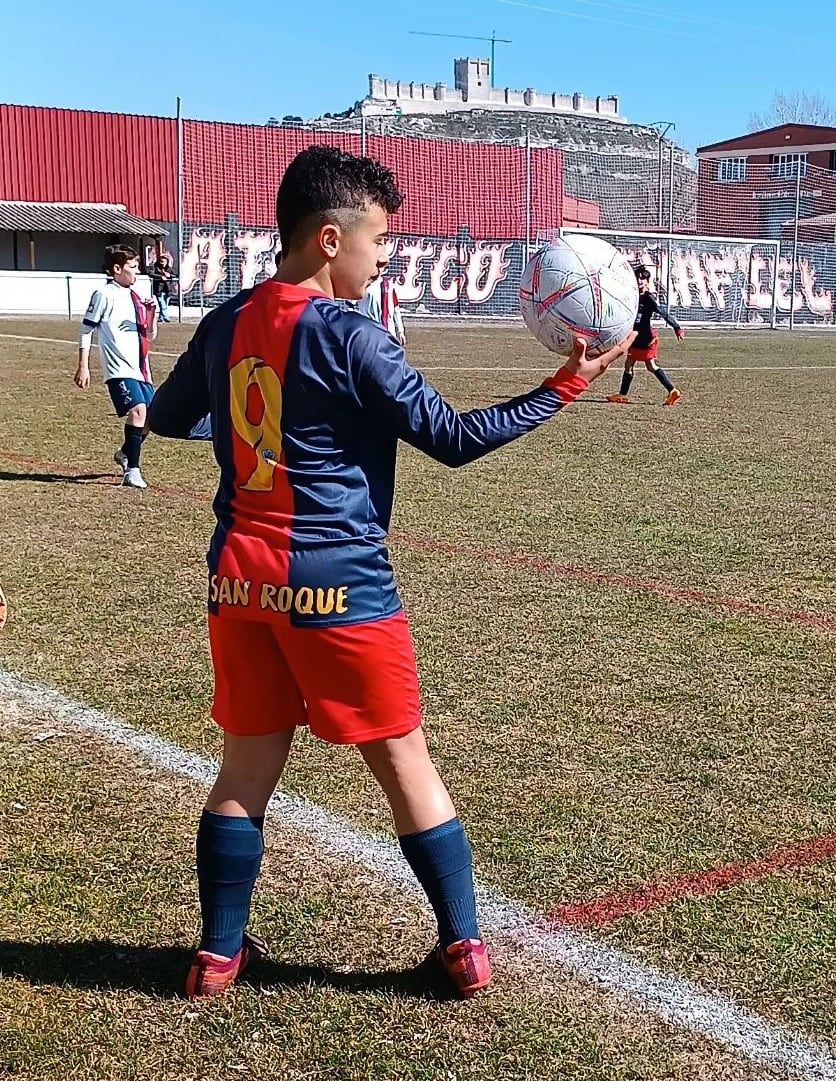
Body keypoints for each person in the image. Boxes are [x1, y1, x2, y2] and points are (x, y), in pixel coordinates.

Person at [145, 145, 633, 1001]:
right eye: (380, 243)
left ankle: (218, 955)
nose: (386, 260)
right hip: (339, 587)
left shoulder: (224, 322)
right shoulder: (350, 336)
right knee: (405, 762)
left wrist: (261, 438)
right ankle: (461, 948)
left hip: (240, 581)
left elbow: (173, 416)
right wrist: (564, 384)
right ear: (329, 239)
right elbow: (453, 438)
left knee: (244, 772)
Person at [75, 244, 157, 489]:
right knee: (139, 411)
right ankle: (132, 470)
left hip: (141, 369)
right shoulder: (103, 294)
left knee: (153, 419)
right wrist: (83, 366)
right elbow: (85, 329)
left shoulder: (137, 296)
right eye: (133, 267)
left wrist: (151, 314)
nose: (137, 272)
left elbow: (150, 335)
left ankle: (124, 453)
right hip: (119, 369)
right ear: (117, 269)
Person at [607, 265, 684, 406]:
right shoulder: (633, 295)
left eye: (643, 278)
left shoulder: (649, 298)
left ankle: (672, 390)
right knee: (632, 365)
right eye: (637, 278)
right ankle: (623, 395)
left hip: (646, 338)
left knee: (647, 366)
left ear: (648, 281)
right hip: (636, 336)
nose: (640, 280)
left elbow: (662, 312)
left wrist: (676, 326)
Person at [359, 273, 405, 345]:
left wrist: (400, 331)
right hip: (373, 332)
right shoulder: (366, 288)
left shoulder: (389, 286)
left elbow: (396, 308)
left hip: (389, 331)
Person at [151, 253, 175, 322]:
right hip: (159, 289)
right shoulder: (155, 267)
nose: (162, 263)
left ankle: (161, 318)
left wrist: (169, 275)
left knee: (165, 305)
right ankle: (166, 317)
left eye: (164, 262)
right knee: (162, 304)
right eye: (161, 261)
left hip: (168, 289)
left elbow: (175, 275)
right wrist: (160, 277)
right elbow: (151, 273)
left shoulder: (169, 269)